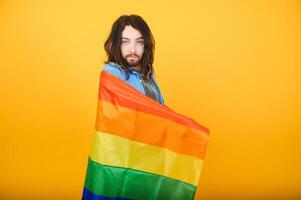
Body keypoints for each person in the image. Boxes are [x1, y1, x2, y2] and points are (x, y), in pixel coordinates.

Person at [101, 14, 164, 105]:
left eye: (139, 42)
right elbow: (114, 113)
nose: (133, 49)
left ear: (145, 45)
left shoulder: (148, 74)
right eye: (125, 42)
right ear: (117, 44)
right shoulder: (112, 72)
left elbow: (160, 110)